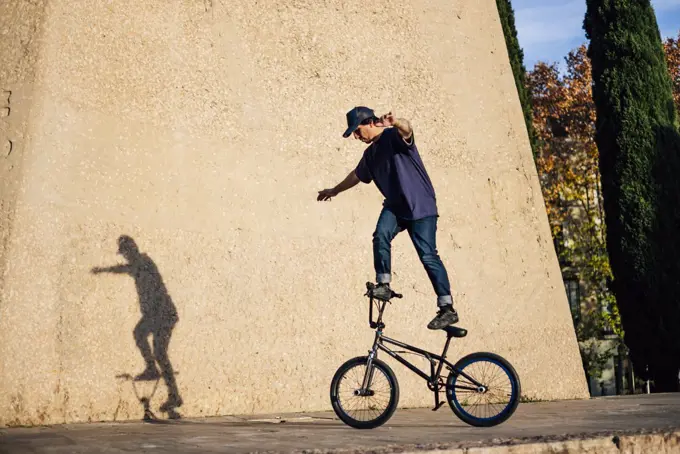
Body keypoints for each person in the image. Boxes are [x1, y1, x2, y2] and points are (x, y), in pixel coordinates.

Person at [317, 106, 459, 330]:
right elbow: (356, 175)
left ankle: (447, 308)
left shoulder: (394, 137)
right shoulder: (370, 155)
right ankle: (383, 283)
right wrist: (334, 190)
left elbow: (407, 129)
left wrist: (395, 122)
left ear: (371, 123)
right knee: (380, 235)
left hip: (420, 205)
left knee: (428, 255)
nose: (356, 136)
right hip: (396, 207)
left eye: (357, 130)